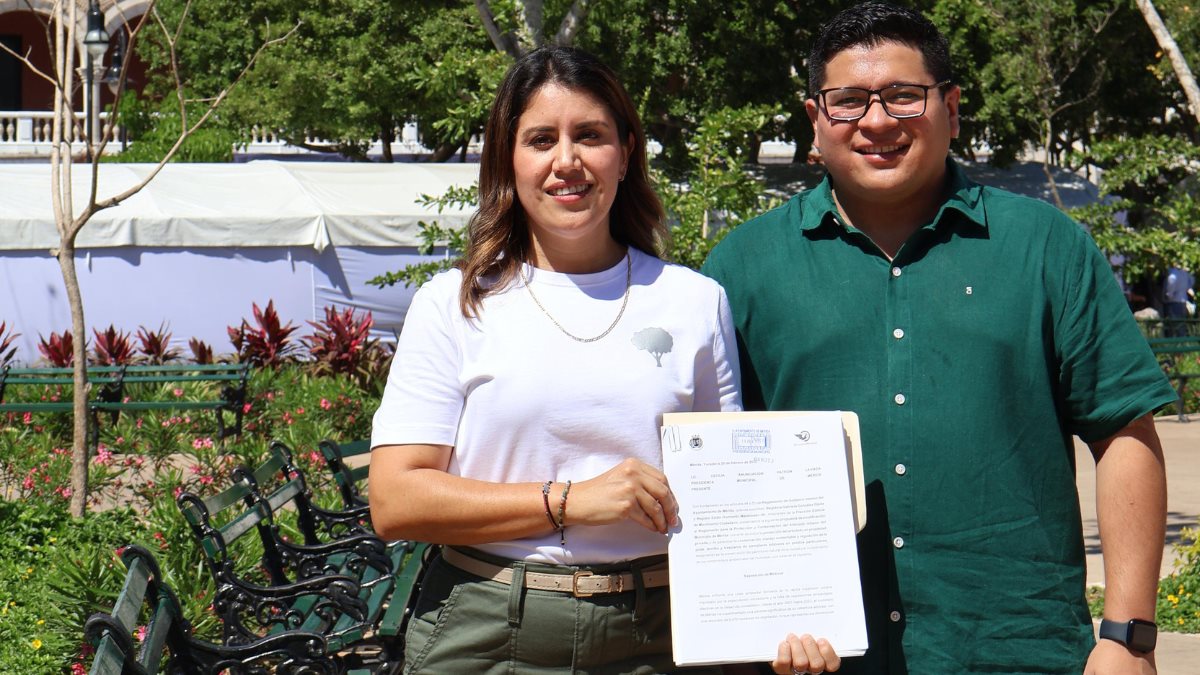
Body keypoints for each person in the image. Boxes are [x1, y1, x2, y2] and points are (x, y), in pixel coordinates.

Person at [702, 3, 1175, 674]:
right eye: (849, 101)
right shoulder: (741, 269)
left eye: (903, 96)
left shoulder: (1047, 249)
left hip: (1012, 650)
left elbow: (1124, 431)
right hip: (815, 657)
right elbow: (710, 468)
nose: (876, 121)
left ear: (951, 108)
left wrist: (1128, 636)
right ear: (815, 120)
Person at [369, 46, 840, 675]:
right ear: (510, 159)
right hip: (485, 630)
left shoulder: (694, 302)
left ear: (625, 152)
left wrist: (775, 625)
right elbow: (396, 501)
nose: (567, 161)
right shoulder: (453, 306)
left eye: (589, 136)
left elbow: (735, 498)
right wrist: (567, 501)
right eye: (541, 139)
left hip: (660, 636)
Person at [1162, 266, 1194, 337]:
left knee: (1171, 327)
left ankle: (1171, 344)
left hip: (1172, 303)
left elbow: (1171, 285)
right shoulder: (1185, 273)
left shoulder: (1173, 273)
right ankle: (1182, 343)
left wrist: (1168, 296)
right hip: (1182, 302)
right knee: (1181, 326)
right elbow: (1191, 282)